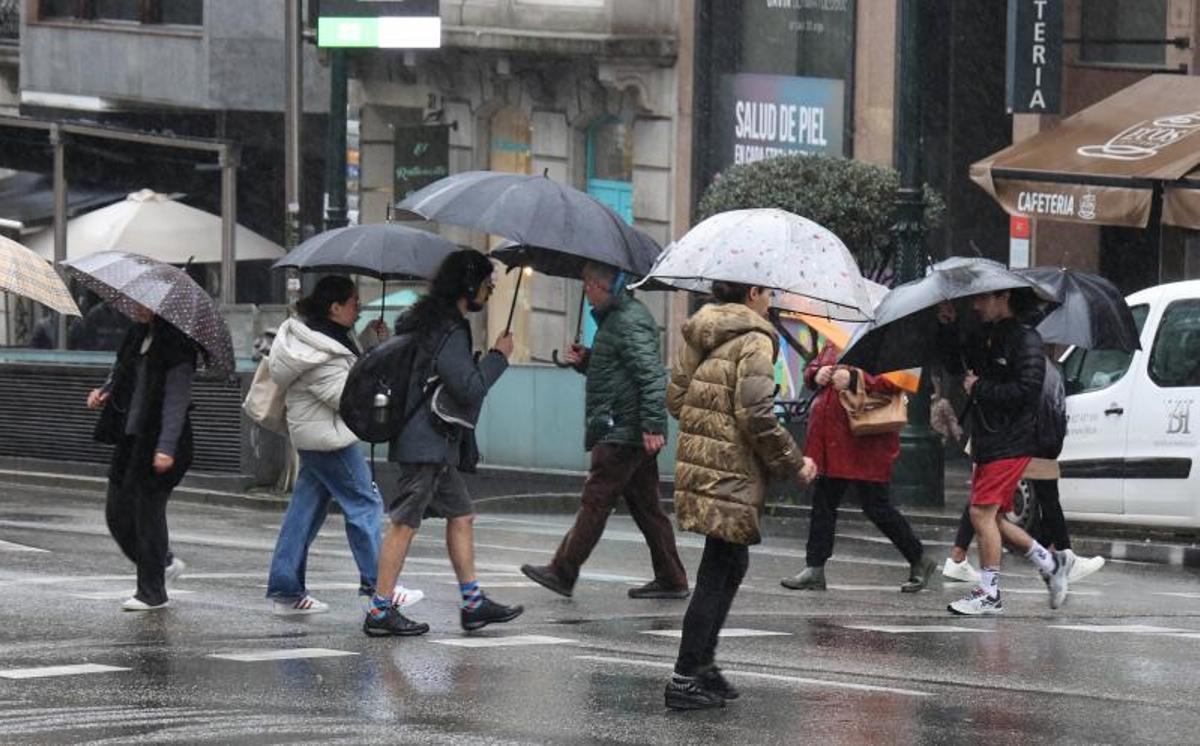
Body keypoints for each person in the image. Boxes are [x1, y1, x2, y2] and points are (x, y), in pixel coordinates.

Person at [663, 281, 818, 711]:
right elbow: (756, 413)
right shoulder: (754, 339)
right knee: (718, 567)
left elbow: (677, 399)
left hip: (703, 462)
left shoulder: (701, 332)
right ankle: (684, 676)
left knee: (730, 561)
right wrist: (794, 462)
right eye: (768, 293)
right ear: (752, 293)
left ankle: (703, 666)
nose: (771, 301)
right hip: (731, 468)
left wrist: (711, 425)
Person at [364, 250, 523, 637]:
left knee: (462, 513)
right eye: (487, 285)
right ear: (469, 286)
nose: (489, 292)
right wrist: (499, 357)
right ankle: (380, 610)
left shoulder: (421, 321)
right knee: (403, 523)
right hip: (426, 443)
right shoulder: (448, 328)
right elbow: (468, 387)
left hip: (430, 442)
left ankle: (473, 604)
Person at [520, 262, 688, 600]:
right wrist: (587, 360)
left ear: (602, 286)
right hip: (625, 427)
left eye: (587, 284)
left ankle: (563, 571)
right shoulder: (619, 320)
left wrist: (654, 425)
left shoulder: (627, 321)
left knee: (596, 501)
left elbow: (652, 376)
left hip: (621, 430)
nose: (585, 291)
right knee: (647, 508)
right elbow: (620, 372)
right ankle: (671, 577)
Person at [266, 276, 423, 616]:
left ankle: (286, 589)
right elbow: (347, 395)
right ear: (334, 307)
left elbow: (349, 368)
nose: (359, 307)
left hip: (315, 436)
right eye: (353, 301)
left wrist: (370, 342)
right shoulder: (320, 349)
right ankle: (379, 585)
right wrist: (384, 361)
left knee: (304, 510)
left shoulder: (322, 336)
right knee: (365, 503)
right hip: (330, 439)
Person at [937, 291, 1074, 616]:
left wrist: (980, 387)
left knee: (981, 514)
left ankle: (989, 593)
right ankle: (1051, 564)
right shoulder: (987, 335)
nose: (975, 306)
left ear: (1004, 297)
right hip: (989, 439)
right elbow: (958, 364)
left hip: (1011, 440)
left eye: (982, 299)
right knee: (993, 518)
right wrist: (948, 327)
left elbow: (1027, 390)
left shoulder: (1026, 340)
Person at [780, 341, 938, 593]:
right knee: (824, 502)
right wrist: (815, 373)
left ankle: (918, 557)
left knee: (876, 506)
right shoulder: (844, 334)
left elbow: (907, 377)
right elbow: (819, 362)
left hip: (864, 442)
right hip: (833, 439)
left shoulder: (891, 337)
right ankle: (815, 567)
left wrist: (855, 378)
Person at [86, 306, 197, 611]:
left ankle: (152, 593)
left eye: (140, 304)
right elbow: (123, 372)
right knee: (116, 513)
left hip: (162, 439)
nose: (132, 308)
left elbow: (176, 400)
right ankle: (164, 564)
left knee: (148, 514)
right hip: (131, 437)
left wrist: (166, 448)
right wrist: (105, 390)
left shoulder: (178, 345)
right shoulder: (136, 334)